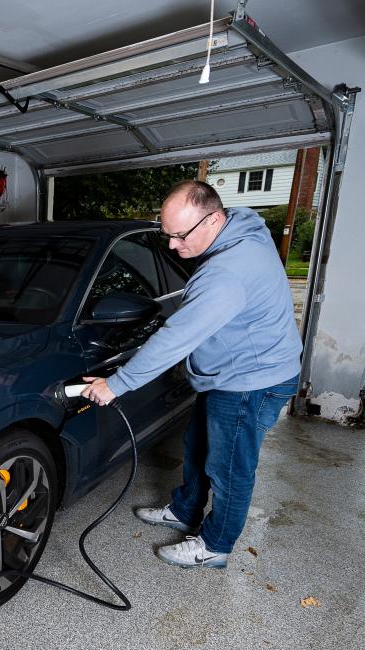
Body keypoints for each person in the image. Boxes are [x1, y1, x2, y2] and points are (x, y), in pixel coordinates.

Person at [81, 180, 302, 568]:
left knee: (230, 467)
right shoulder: (243, 225)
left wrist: (116, 384)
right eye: (167, 234)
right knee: (197, 445)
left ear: (213, 220)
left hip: (252, 381)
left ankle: (215, 545)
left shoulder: (227, 273)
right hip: (233, 372)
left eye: (179, 236)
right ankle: (185, 510)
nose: (171, 247)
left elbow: (175, 339)